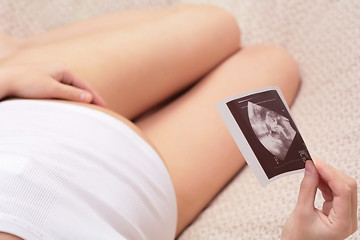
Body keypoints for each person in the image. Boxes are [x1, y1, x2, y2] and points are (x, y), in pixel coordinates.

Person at [0, 4, 357, 240]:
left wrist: (8, 78)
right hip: (149, 189)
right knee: (272, 63)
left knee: (217, 26)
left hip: (35, 115)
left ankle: (12, 52)